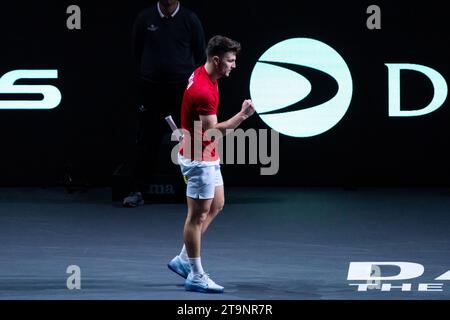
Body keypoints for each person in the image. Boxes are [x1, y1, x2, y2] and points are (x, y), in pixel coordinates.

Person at [167, 35, 256, 293]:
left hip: (206, 153)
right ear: (216, 60)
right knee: (196, 217)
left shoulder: (205, 74)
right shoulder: (204, 91)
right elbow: (213, 132)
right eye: (230, 61)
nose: (234, 65)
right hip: (197, 159)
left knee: (217, 204)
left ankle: (183, 259)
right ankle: (195, 274)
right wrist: (242, 116)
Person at [123, 0, 206, 207]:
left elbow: (199, 54)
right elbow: (136, 51)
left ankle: (194, 192)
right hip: (152, 90)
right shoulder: (144, 18)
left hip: (182, 90)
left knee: (190, 140)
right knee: (146, 140)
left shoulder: (190, 19)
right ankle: (137, 191)